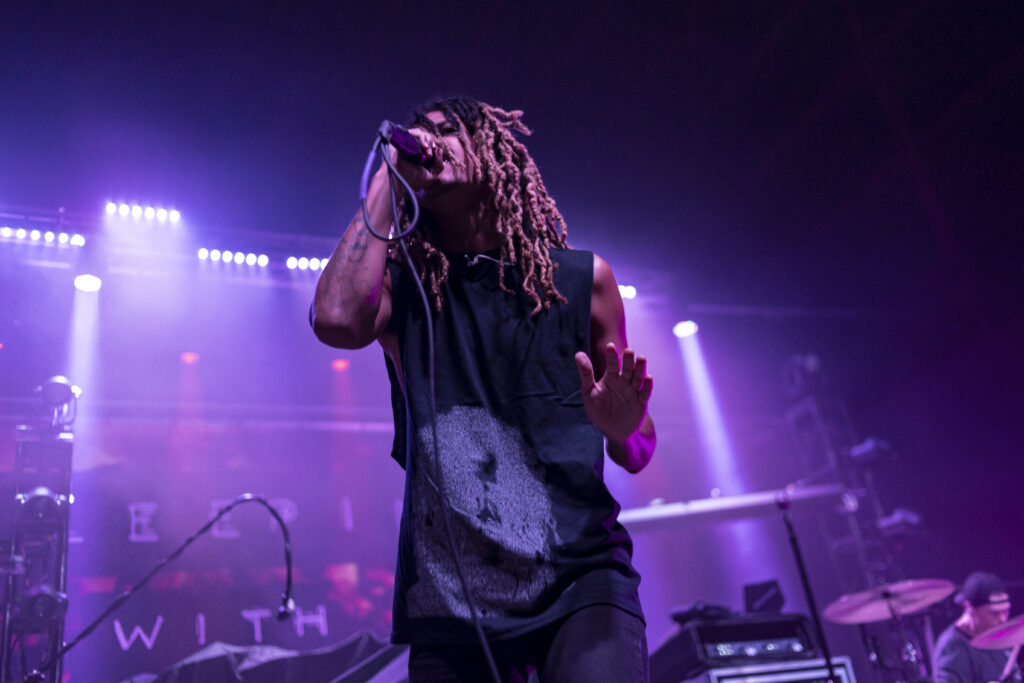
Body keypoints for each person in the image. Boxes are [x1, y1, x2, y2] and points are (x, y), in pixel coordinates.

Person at [311, 95, 656, 682]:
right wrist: (387, 182)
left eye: (448, 130)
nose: (429, 140)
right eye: (420, 132)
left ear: (494, 152)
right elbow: (337, 322)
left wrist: (622, 428)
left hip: (580, 582)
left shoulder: (583, 280)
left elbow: (640, 449)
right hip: (451, 601)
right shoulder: (403, 287)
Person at [932, 571, 1020, 683]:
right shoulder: (952, 647)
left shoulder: (1001, 634)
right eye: (994, 613)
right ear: (968, 607)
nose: (1002, 619)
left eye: (1006, 611)